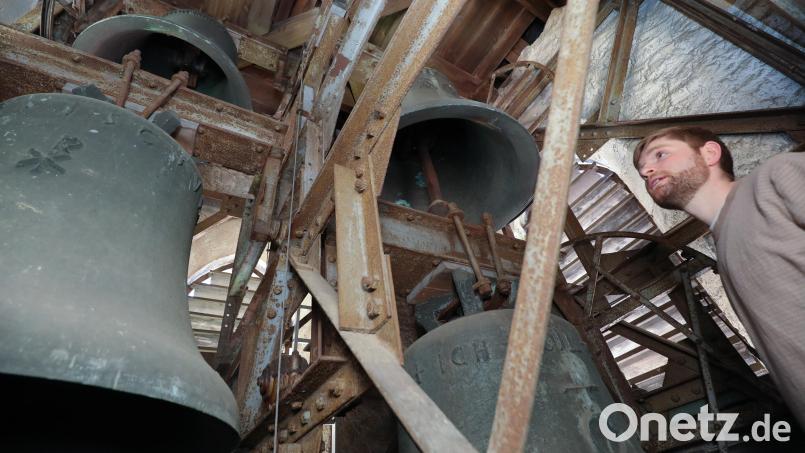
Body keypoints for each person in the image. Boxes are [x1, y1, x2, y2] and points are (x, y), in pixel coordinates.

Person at [633, 126, 805, 427]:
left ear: (710, 153)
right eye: (642, 170)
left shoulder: (776, 177)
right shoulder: (725, 249)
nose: (647, 170)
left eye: (660, 155)